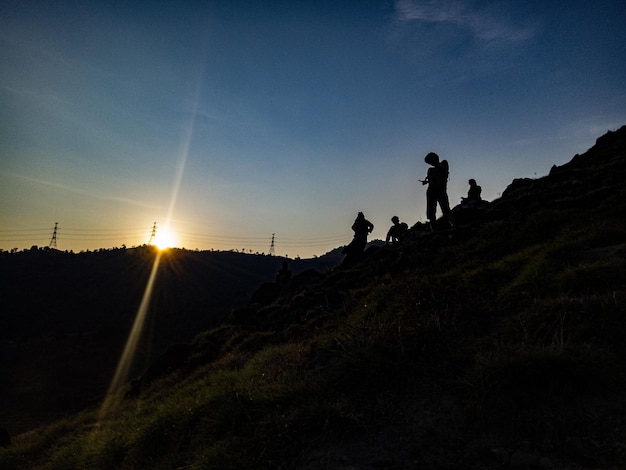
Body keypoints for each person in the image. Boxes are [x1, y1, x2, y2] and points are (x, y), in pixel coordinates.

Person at [420, 152, 454, 231]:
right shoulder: (432, 169)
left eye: (430, 162)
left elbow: (440, 174)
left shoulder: (443, 164)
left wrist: (430, 178)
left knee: (445, 209)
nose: (430, 164)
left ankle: (453, 225)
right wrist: (427, 181)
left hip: (439, 190)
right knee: (431, 212)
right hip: (433, 191)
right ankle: (434, 230)